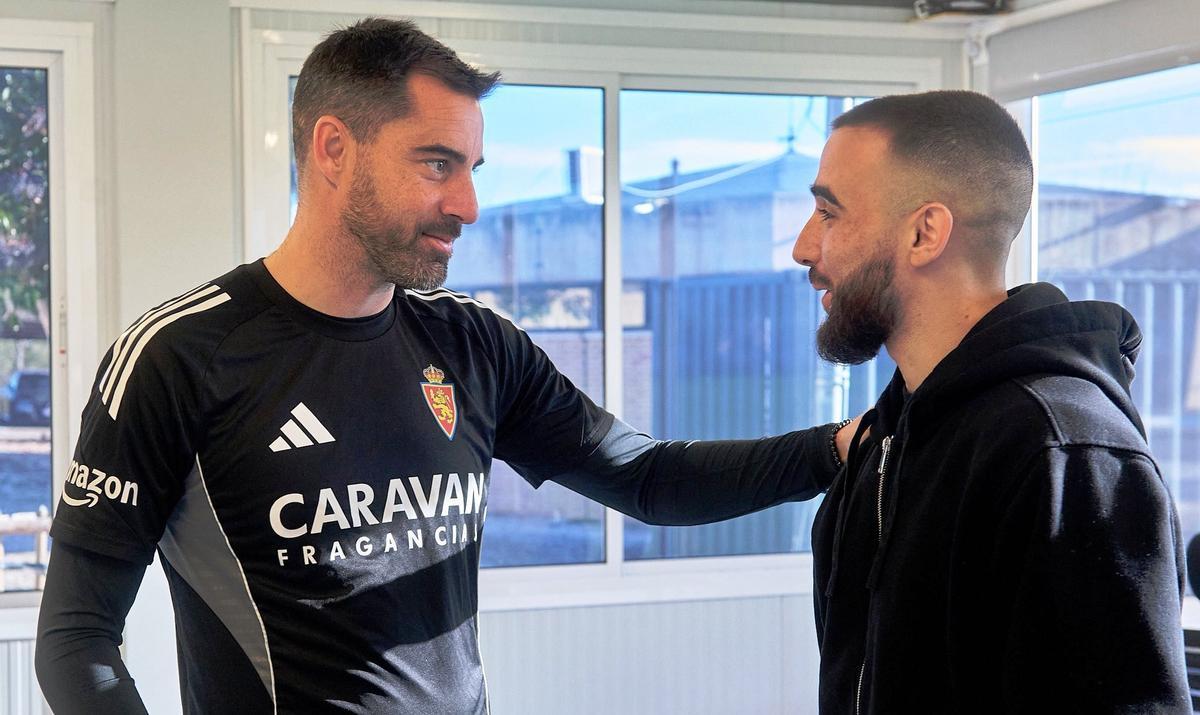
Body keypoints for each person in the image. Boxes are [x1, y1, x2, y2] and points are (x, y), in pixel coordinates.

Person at [34, 18, 858, 714]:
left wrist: (840, 448)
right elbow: (77, 638)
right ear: (333, 149)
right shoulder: (179, 355)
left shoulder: (475, 343)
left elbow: (650, 478)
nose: (467, 204)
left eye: (472, 169)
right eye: (437, 163)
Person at [792, 89, 1190, 713]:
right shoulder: (896, 437)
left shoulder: (1066, 454)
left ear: (925, 232)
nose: (804, 248)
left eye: (829, 213)